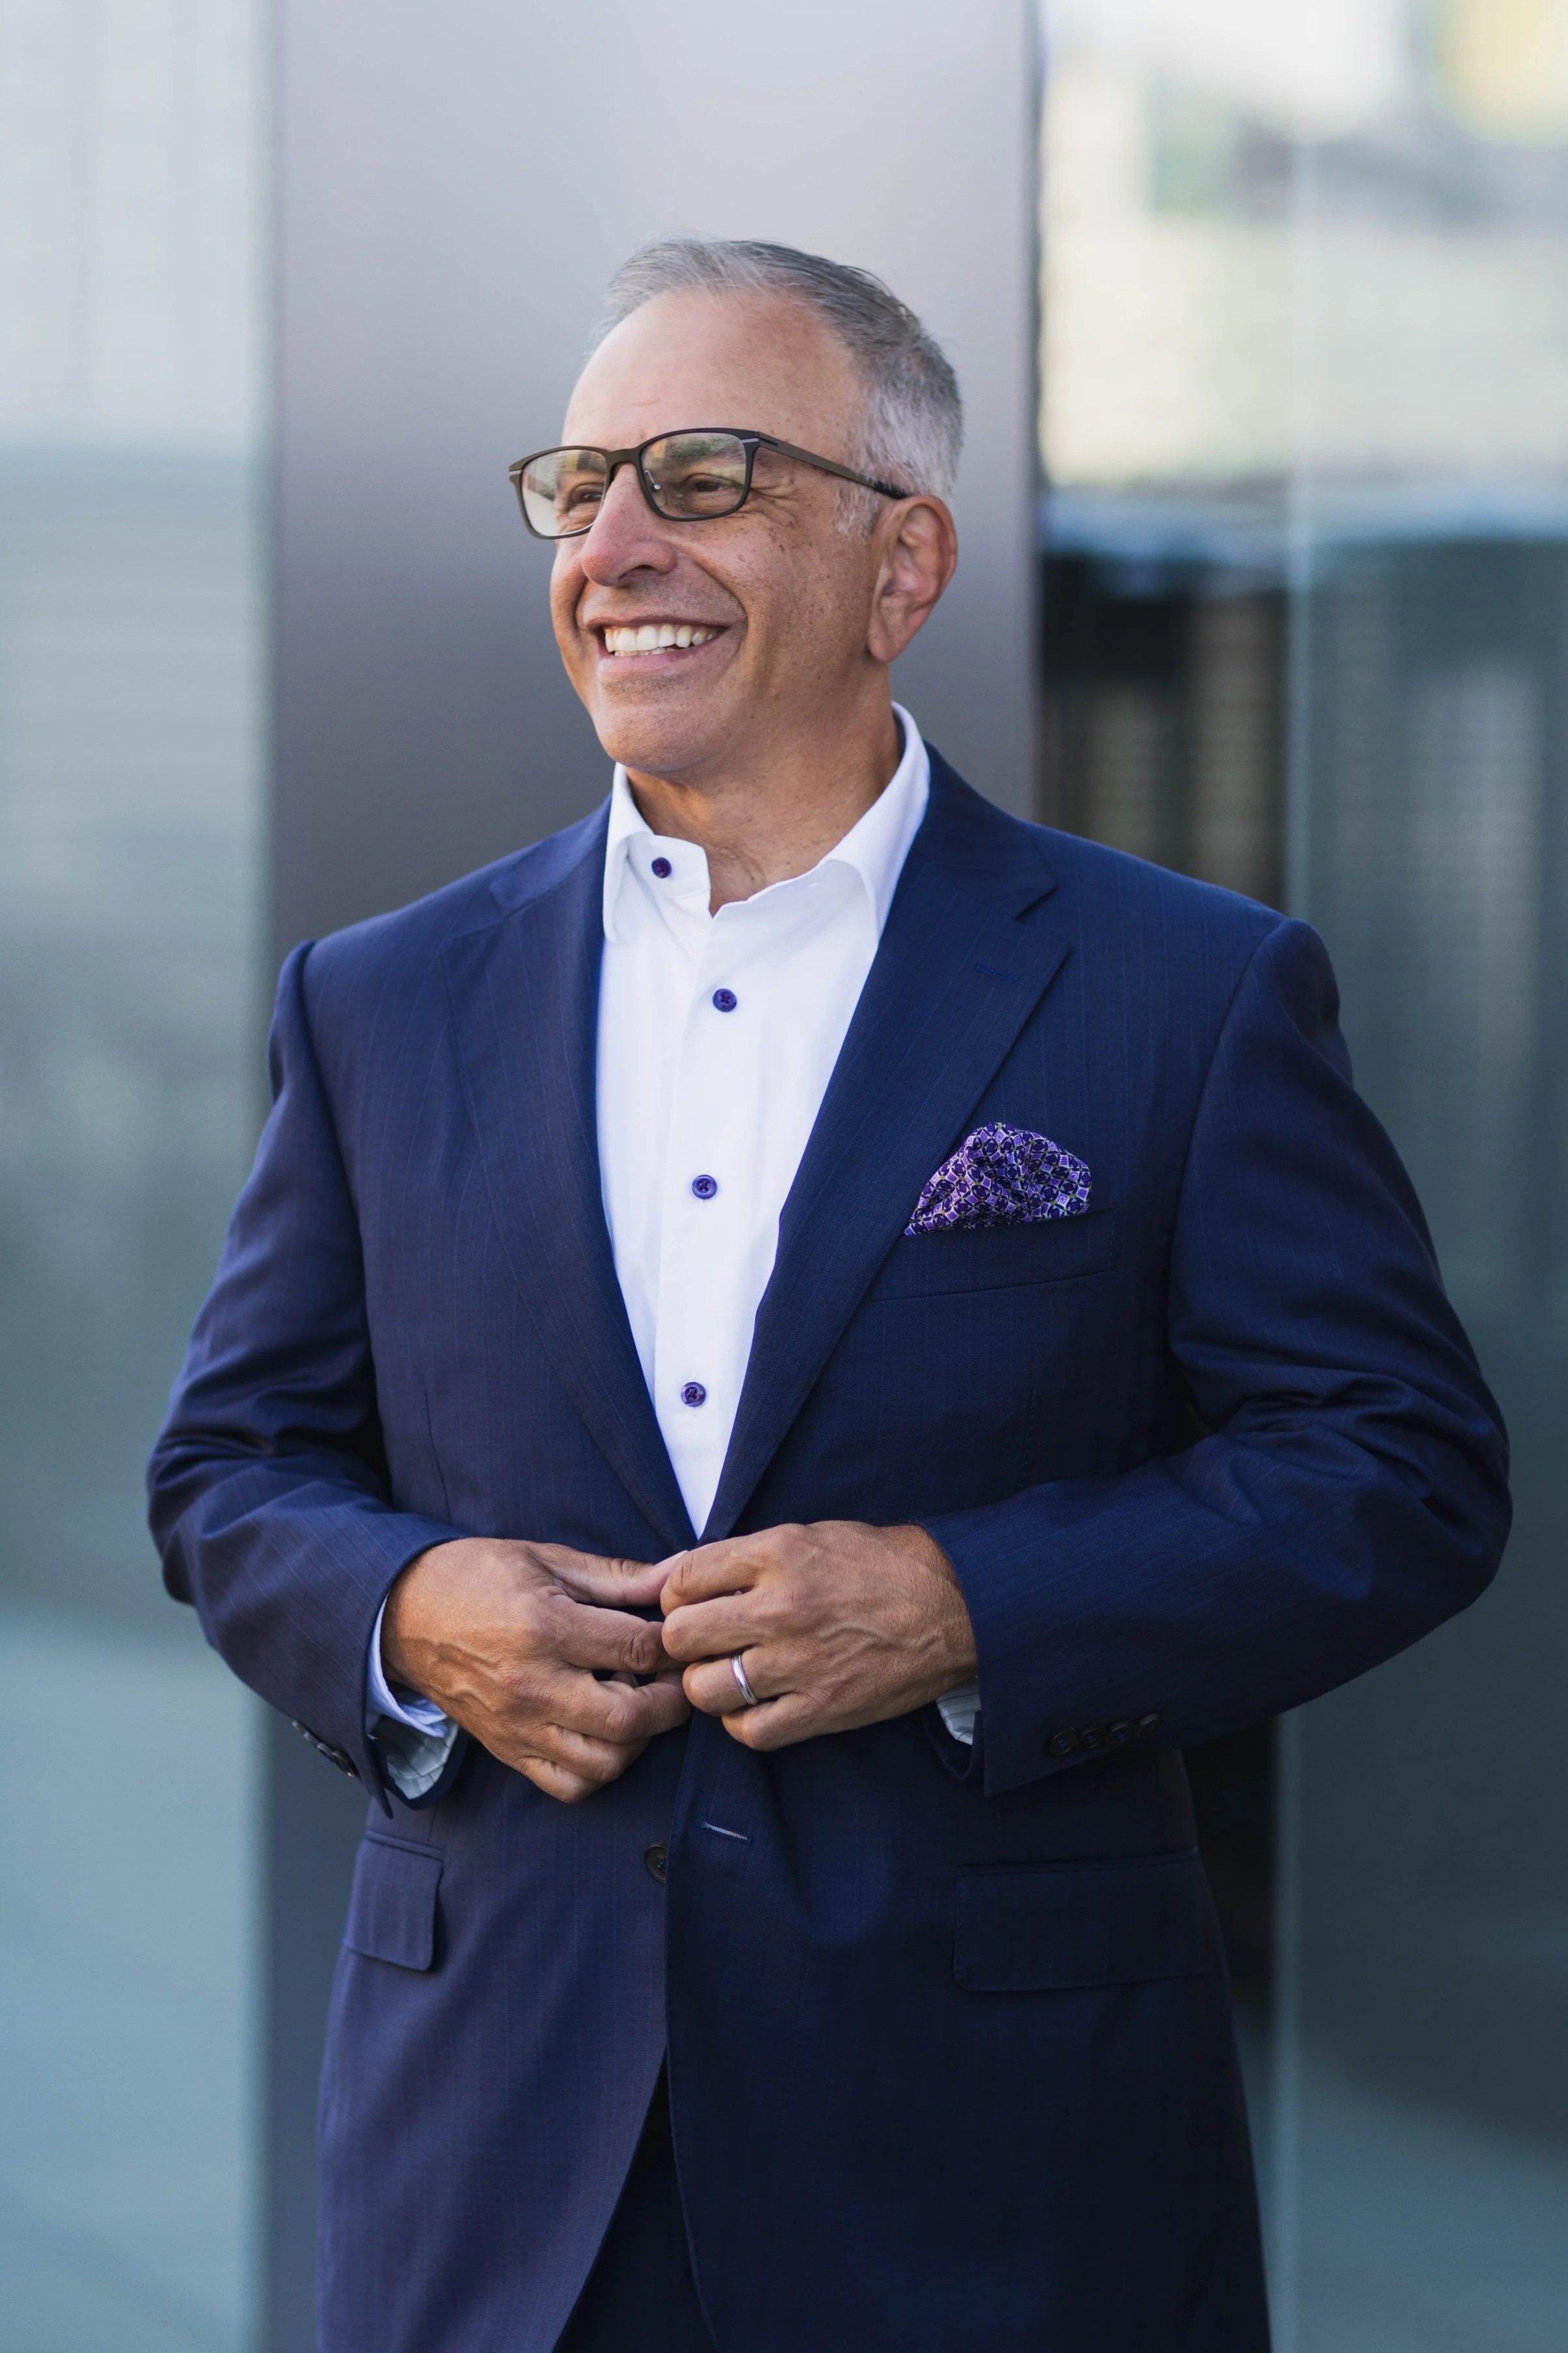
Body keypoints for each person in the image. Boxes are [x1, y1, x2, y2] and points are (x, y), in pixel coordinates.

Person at [148, 239, 1509, 2353]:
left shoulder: (1183, 986)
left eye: (702, 475)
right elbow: (232, 1470)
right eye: (578, 482)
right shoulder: (380, 999)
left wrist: (971, 1604)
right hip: (497, 2168)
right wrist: (410, 1617)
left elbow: (1397, 1470)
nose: (613, 546)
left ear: (907, 560)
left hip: (997, 2172)